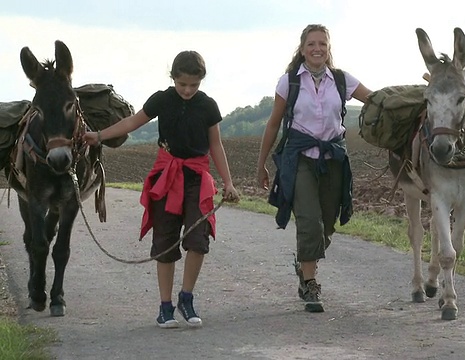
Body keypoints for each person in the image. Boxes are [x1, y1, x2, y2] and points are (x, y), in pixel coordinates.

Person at [83, 50, 240, 328]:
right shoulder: (161, 99)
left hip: (197, 178)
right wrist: (99, 136)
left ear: (201, 81)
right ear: (173, 78)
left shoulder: (208, 106)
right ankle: (165, 307)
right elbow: (132, 122)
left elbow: (215, 144)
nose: (188, 90)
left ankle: (186, 298)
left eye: (194, 85)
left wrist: (228, 183)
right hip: (166, 177)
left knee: (198, 241)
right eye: (182, 84)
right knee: (165, 243)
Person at [256, 24, 371, 313]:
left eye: (322, 43)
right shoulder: (290, 82)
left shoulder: (343, 81)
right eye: (311, 44)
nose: (317, 48)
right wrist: (261, 165)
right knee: (309, 220)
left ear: (328, 48)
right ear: (302, 48)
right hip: (300, 158)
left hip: (333, 158)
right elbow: (273, 124)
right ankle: (309, 283)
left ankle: (304, 262)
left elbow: (378, 101)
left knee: (327, 225)